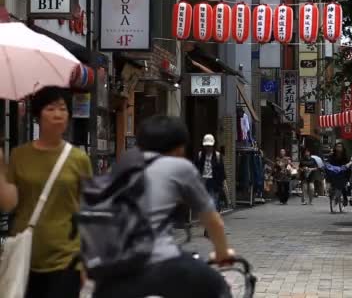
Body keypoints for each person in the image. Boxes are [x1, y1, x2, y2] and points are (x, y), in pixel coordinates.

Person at [93, 115, 231, 298]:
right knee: (218, 286)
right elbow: (214, 222)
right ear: (179, 147)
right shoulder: (179, 166)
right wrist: (222, 253)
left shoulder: (121, 165)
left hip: (111, 271)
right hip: (159, 262)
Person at [0, 86, 93, 298]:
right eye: (51, 108)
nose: (58, 114)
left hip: (67, 257)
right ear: (37, 115)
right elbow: (9, 203)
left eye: (63, 108)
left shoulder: (79, 159)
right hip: (25, 256)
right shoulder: (19, 155)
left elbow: (88, 210)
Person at [196, 134, 226, 211]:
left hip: (214, 183)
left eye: (210, 146)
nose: (208, 148)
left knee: (213, 203)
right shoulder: (200, 155)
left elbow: (222, 172)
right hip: (203, 182)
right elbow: (195, 169)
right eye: (207, 146)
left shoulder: (218, 156)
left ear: (213, 145)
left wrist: (223, 184)